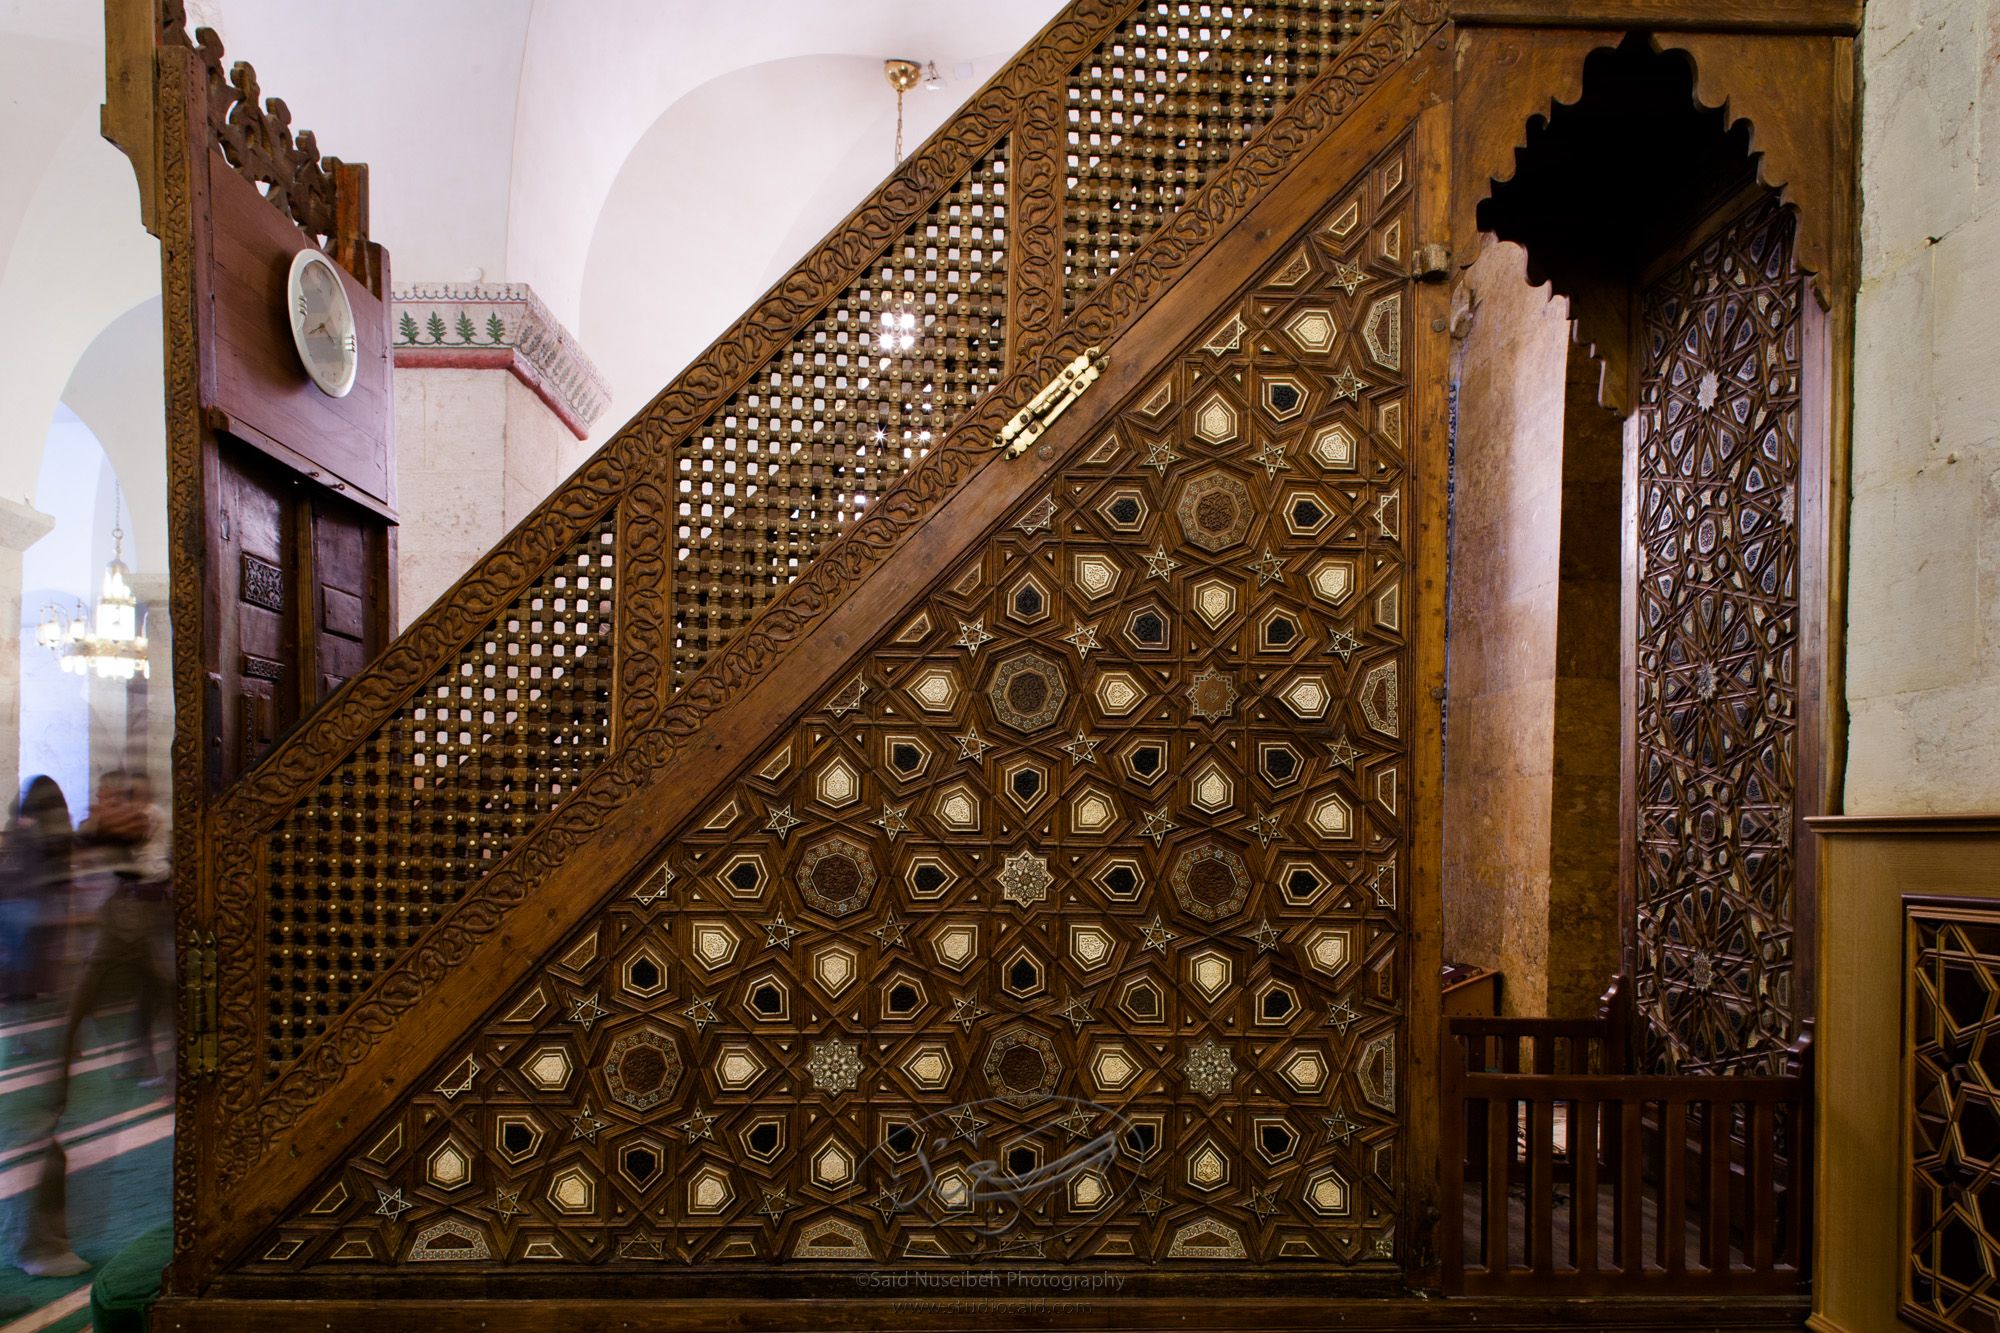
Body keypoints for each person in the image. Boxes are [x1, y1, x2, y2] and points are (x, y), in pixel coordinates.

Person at [0, 777, 72, 1005]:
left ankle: (20, 994)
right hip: (37, 902)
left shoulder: (26, 828)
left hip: (22, 900)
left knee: (18, 958)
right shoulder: (59, 829)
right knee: (26, 960)